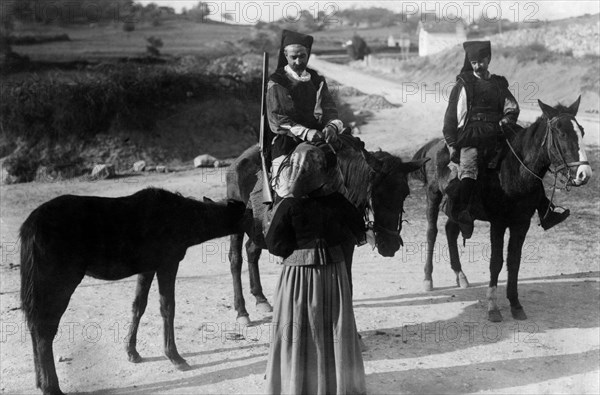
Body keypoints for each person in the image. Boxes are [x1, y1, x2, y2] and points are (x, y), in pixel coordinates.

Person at [443, 40, 570, 239]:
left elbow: (512, 107)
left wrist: (505, 120)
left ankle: (546, 210)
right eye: (474, 62)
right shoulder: (463, 85)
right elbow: (451, 117)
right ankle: (464, 212)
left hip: (499, 131)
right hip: (472, 134)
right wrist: (452, 144)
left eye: (481, 61)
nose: (478, 66)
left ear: (489, 59)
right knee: (469, 168)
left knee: (527, 161)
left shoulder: (498, 83)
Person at [263, 188, 367, 395]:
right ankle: (336, 385)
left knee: (296, 327)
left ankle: (296, 385)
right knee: (335, 326)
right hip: (333, 272)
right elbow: (358, 230)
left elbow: (274, 244)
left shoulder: (289, 204)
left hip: (298, 275)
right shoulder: (338, 200)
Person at [266, 29, 345, 198]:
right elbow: (276, 119)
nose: (298, 61)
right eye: (293, 57)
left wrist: (331, 126)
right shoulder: (277, 81)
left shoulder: (317, 80)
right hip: (288, 141)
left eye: (302, 56)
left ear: (307, 54)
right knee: (287, 190)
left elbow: (329, 109)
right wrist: (306, 133)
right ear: (285, 55)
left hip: (320, 138)